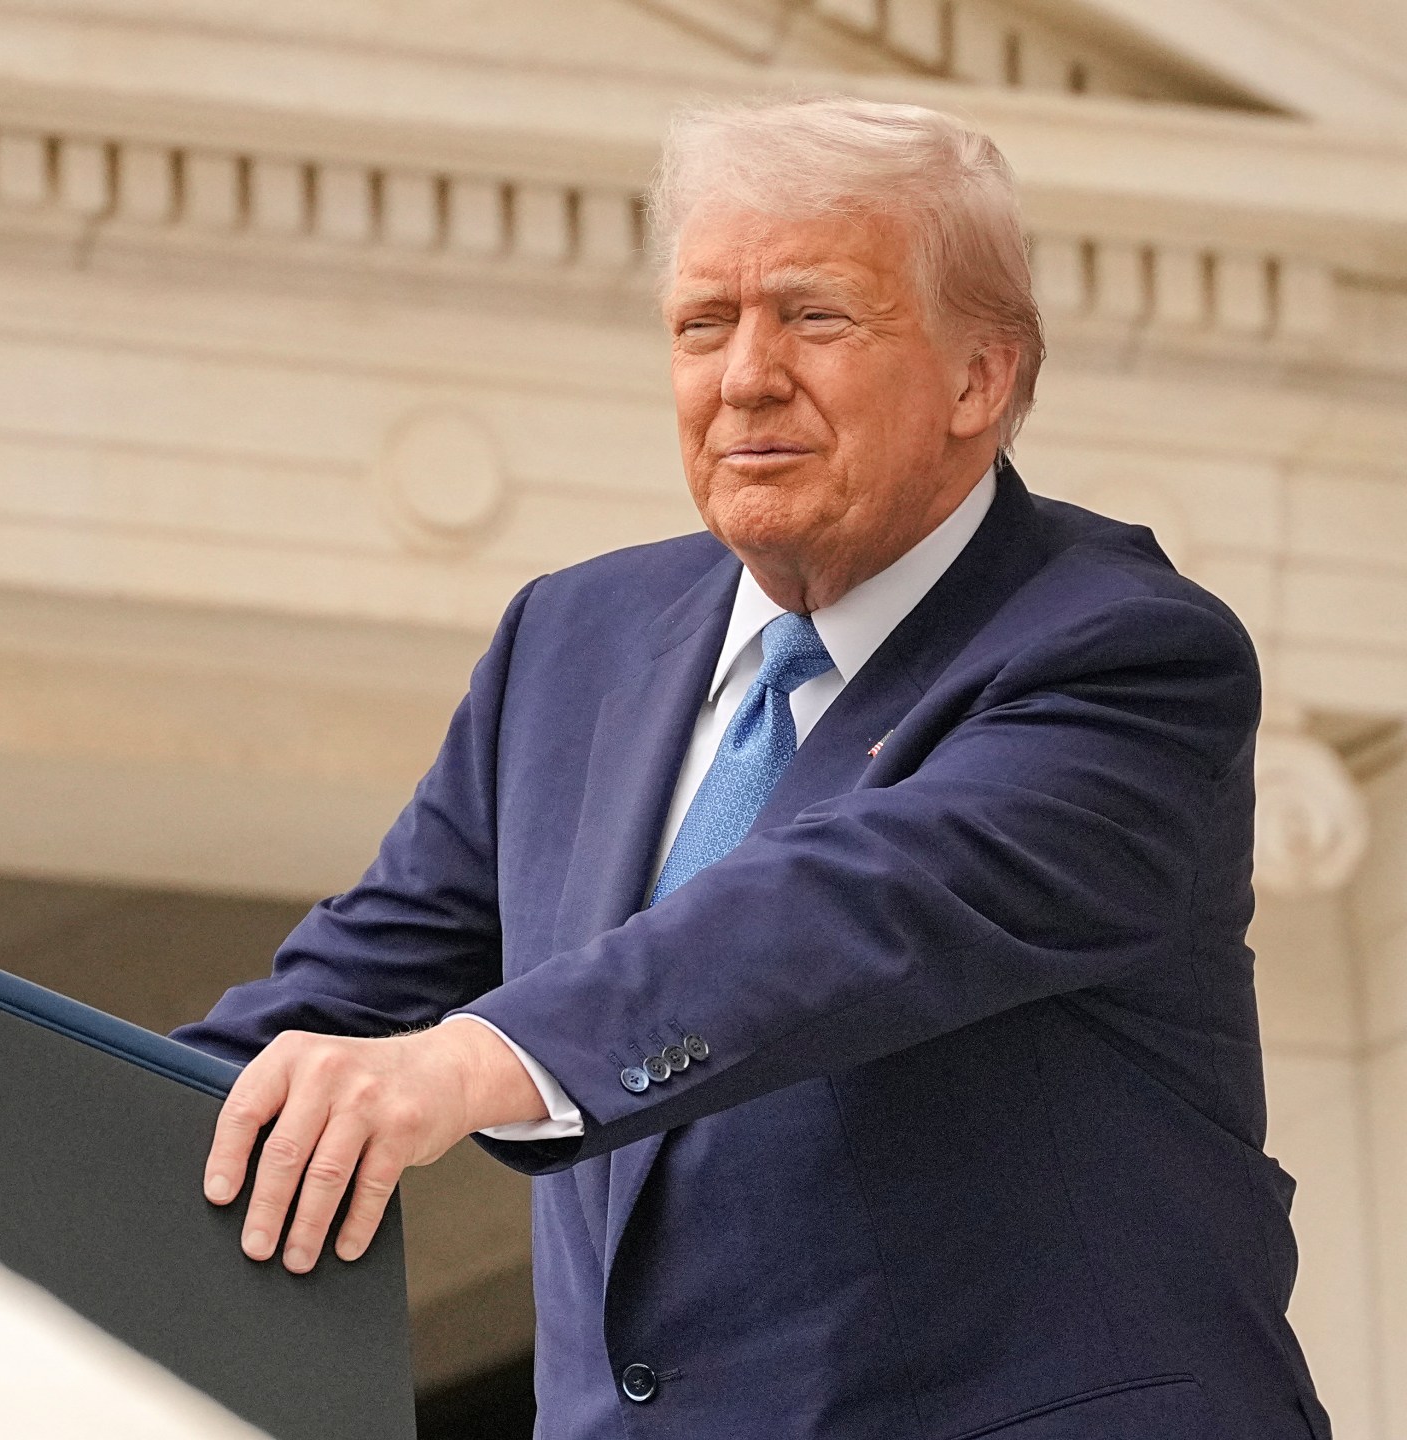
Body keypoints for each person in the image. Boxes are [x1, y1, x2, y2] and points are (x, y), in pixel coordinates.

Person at [173, 96, 1331, 1438]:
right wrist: (36, 1135)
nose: (745, 377)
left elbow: (846, 911)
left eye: (815, 317)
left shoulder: (1126, 654)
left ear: (980, 378)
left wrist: (470, 1061)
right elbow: (341, 996)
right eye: (702, 324)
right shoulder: (570, 643)